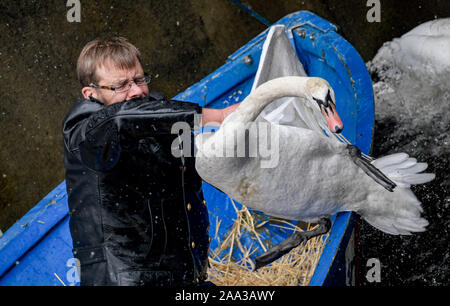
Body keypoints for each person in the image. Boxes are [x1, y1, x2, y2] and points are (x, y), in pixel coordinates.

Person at [62, 37, 238, 286]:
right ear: (91, 94)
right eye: (121, 85)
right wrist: (217, 116)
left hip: (182, 278)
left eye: (139, 79)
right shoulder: (83, 131)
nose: (135, 91)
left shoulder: (158, 116)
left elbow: (209, 163)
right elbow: (120, 119)